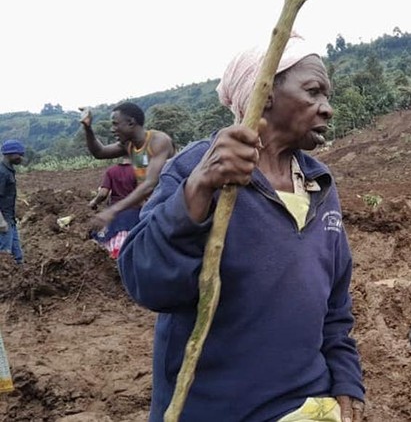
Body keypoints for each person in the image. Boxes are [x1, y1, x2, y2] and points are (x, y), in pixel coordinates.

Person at [117, 35, 365, 422]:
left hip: (308, 404)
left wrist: (346, 378)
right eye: (313, 92)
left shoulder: (319, 183)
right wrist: (198, 189)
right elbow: (145, 281)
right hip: (218, 410)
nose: (327, 109)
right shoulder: (198, 167)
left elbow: (335, 303)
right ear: (264, 93)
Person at [79, 102, 174, 230]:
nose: (112, 129)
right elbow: (99, 152)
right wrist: (87, 128)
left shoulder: (158, 141)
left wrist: (113, 210)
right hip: (149, 210)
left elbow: (150, 184)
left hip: (170, 210)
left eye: (115, 124)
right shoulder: (128, 145)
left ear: (130, 123)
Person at [89, 158, 139, 259]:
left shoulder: (111, 171)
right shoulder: (140, 171)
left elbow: (103, 193)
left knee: (104, 236)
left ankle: (114, 254)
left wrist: (94, 202)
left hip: (115, 213)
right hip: (135, 213)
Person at [0, 139, 25, 264]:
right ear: (10, 154)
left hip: (10, 220)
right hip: (3, 221)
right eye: (19, 154)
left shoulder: (8, 170)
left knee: (18, 257)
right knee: (5, 257)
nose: (21, 157)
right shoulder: (2, 173)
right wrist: (1, 222)